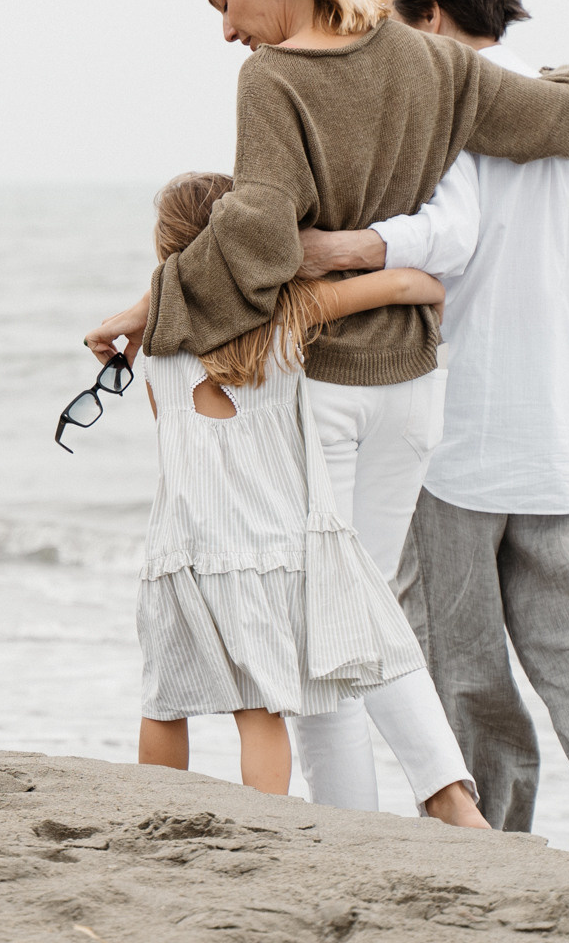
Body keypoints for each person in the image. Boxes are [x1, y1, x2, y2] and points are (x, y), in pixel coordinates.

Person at [86, 0, 569, 822]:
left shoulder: (275, 82)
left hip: (323, 384)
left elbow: (257, 235)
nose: (225, 30)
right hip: (414, 386)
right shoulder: (439, 63)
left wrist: (148, 309)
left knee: (328, 621)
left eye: (224, 0)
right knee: (353, 600)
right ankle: (432, 806)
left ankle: (394, 815)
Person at [295, 0, 569, 866]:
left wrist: (341, 251)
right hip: (557, 425)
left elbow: (448, 240)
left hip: (453, 423)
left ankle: (489, 842)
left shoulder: (442, 116)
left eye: (389, 7)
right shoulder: (568, 121)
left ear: (424, 11)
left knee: (460, 662)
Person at [134, 170, 443, 796]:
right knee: (259, 707)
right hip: (265, 549)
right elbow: (416, 283)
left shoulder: (153, 350)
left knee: (164, 697)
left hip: (179, 550)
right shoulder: (287, 318)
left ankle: (152, 813)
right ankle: (265, 825)